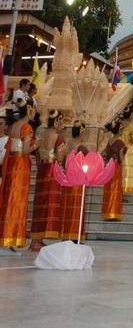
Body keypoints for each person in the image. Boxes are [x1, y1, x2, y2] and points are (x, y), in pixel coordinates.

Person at [0, 103, 40, 254]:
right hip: (21, 166)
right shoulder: (26, 128)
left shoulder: (12, 126)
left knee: (9, 200)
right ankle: (12, 238)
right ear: (29, 111)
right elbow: (25, 150)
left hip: (11, 164)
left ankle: (5, 237)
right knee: (18, 201)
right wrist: (36, 145)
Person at [29, 109, 66, 251]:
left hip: (42, 170)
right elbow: (60, 157)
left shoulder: (42, 134)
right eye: (61, 121)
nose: (62, 125)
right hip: (52, 170)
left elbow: (38, 155)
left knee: (40, 203)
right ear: (57, 122)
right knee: (49, 202)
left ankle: (36, 240)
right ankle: (38, 240)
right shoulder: (58, 137)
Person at [58, 121, 89, 243]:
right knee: (76, 207)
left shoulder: (68, 144)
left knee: (67, 206)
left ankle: (66, 234)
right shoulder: (81, 147)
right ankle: (74, 234)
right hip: (77, 181)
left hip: (68, 179)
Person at [101, 122, 127, 221]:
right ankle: (114, 213)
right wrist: (125, 152)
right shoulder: (120, 142)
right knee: (115, 189)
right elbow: (121, 158)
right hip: (116, 166)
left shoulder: (110, 141)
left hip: (108, 165)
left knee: (108, 189)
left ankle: (107, 212)